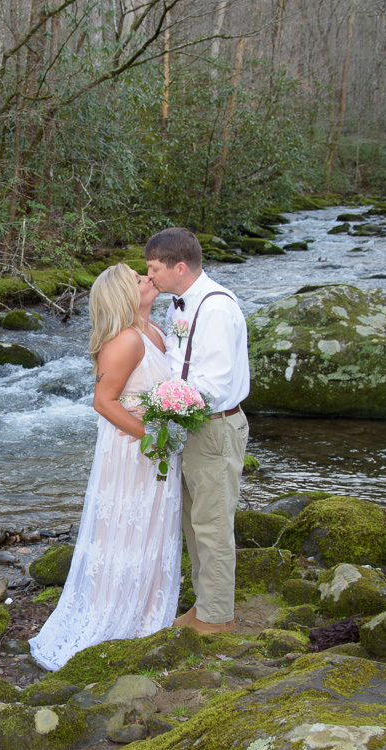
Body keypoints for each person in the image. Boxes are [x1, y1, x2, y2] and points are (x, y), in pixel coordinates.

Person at [29, 263, 182, 671]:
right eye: (137, 278)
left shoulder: (156, 333)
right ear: (122, 296)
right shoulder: (126, 340)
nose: (147, 278)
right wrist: (150, 438)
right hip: (133, 451)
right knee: (126, 532)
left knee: (153, 528)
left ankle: (146, 610)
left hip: (157, 447)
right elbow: (103, 403)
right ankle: (115, 614)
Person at [145, 227, 250, 634]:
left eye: (154, 268)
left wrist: (165, 403)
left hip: (214, 426)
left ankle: (218, 617)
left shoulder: (218, 308)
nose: (149, 275)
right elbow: (177, 361)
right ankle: (203, 605)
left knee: (213, 525)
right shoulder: (176, 306)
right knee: (191, 520)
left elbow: (218, 382)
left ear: (180, 267)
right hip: (188, 423)